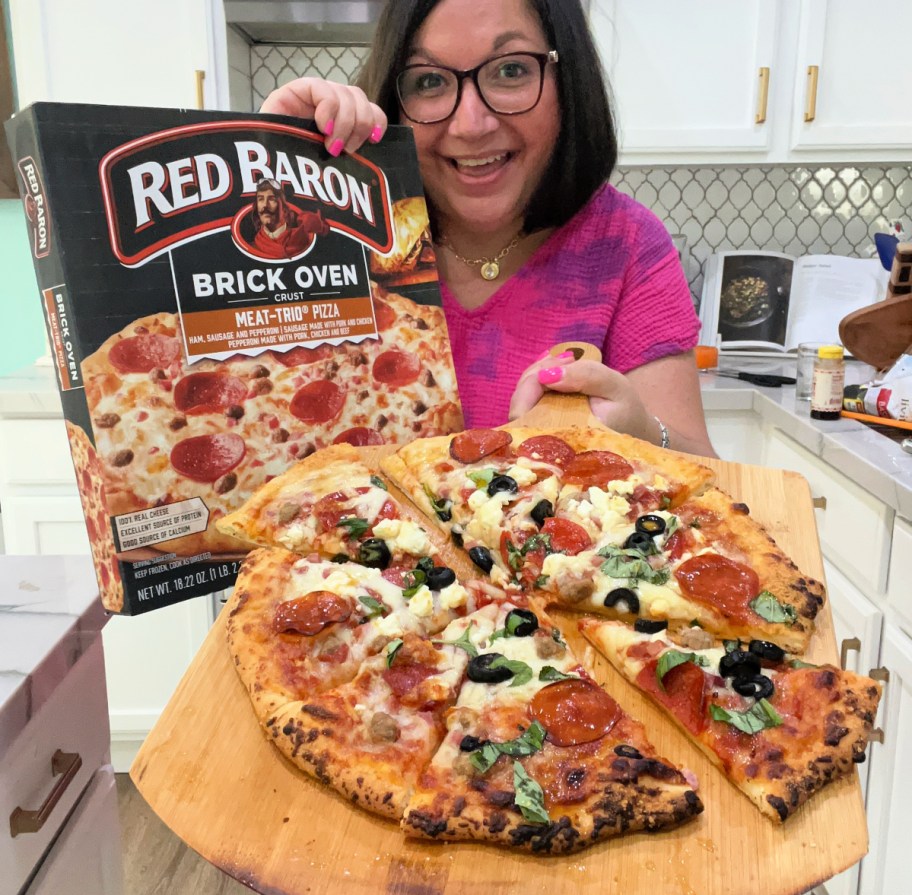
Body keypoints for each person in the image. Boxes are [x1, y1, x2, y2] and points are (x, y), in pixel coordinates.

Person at [262, 0, 716, 457]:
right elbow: (258, 447)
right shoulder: (339, 231)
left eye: (511, 70)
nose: (470, 125)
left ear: (568, 78)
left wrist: (639, 433)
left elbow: (707, 477)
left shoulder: (629, 242)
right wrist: (273, 164)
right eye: (429, 81)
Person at [248, 178, 330, 260]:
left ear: (284, 209)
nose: (265, 205)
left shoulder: (303, 239)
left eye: (272, 199)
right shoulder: (252, 248)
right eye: (261, 199)